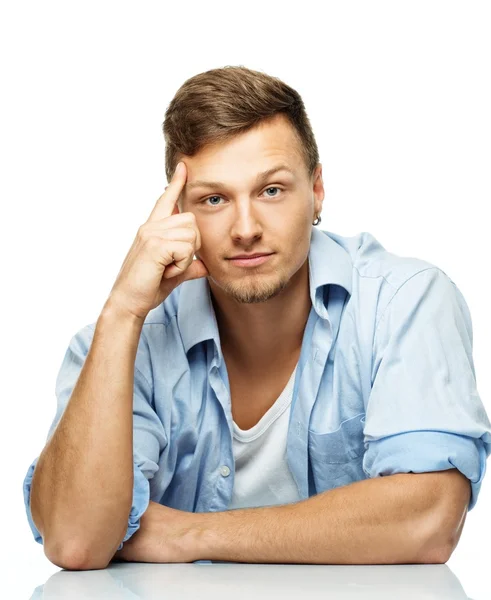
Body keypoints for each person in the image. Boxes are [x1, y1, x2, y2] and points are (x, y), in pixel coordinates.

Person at [23, 65, 491, 570]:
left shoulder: (405, 302)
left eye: (271, 190)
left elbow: (428, 522)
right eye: (214, 199)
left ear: (317, 191)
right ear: (178, 211)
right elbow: (74, 541)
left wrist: (189, 534)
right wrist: (121, 312)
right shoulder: (122, 340)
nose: (245, 228)